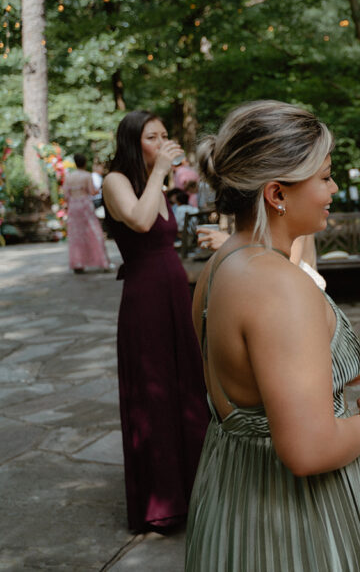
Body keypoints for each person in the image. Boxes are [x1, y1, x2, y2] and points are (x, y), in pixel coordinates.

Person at [184, 100, 360, 571]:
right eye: (324, 176)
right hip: (289, 516)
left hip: (231, 494)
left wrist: (336, 375)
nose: (333, 188)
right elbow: (307, 450)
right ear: (277, 193)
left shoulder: (221, 265)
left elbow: (250, 385)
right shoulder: (280, 286)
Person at [101, 111, 210, 532]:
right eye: (153, 137)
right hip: (145, 301)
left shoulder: (156, 184)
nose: (163, 142)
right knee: (154, 395)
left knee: (186, 388)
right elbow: (140, 221)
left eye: (166, 135)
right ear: (132, 141)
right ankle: (161, 504)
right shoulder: (116, 181)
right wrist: (162, 171)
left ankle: (195, 490)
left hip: (173, 297)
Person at [63, 153, 112, 273]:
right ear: (85, 163)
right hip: (85, 206)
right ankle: (102, 263)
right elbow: (92, 191)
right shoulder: (87, 175)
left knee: (76, 235)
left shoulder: (69, 177)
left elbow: (65, 195)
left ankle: (78, 264)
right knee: (94, 232)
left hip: (74, 207)